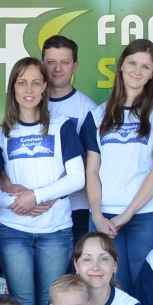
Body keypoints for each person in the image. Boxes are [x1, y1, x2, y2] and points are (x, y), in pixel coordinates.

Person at [0, 57, 84, 305]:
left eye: (36, 83)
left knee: (52, 303)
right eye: (22, 83)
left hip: (56, 229)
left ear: (44, 88)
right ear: (13, 89)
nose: (29, 90)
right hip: (13, 230)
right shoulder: (1, 134)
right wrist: (17, 203)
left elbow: (77, 178)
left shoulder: (62, 127)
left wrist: (36, 196)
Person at [81, 39, 153, 297]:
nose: (138, 71)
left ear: (152, 74)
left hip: (146, 216)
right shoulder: (97, 115)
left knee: (146, 289)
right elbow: (91, 171)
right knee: (112, 289)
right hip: (104, 217)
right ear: (121, 66)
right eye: (133, 63)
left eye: (146, 67)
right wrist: (97, 215)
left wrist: (127, 214)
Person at [42, 35, 99, 242]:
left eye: (64, 62)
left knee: (73, 274)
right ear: (42, 64)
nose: (57, 69)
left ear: (75, 66)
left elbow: (91, 164)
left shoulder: (88, 109)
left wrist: (51, 194)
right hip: (30, 209)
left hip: (76, 209)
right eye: (51, 62)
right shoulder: (26, 103)